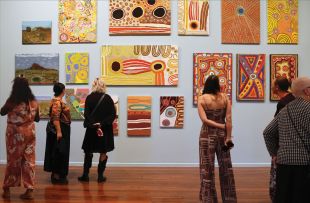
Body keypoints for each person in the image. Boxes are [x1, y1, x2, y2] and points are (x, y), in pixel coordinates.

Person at [264, 77, 310, 203]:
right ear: (307, 91)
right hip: (304, 163)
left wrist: (274, 153)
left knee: (284, 196)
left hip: (283, 161)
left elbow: (267, 132)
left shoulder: (285, 109)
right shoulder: (308, 108)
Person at [197, 75, 237, 203]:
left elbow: (205, 120)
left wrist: (220, 126)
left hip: (206, 136)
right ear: (218, 85)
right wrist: (228, 137)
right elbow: (229, 119)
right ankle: (230, 199)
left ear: (206, 84)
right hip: (222, 135)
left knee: (206, 168)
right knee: (226, 168)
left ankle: (208, 199)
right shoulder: (225, 98)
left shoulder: (202, 99)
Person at [1, 77, 39, 200]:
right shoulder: (33, 101)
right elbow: (37, 119)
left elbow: (2, 112)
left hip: (15, 135)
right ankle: (30, 190)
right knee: (29, 161)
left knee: (13, 161)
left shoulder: (12, 101)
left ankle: (7, 189)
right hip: (30, 134)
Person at [78, 78, 116, 183]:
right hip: (105, 129)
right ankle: (100, 177)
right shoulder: (108, 98)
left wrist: (94, 124)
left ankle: (85, 175)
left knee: (88, 151)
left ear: (94, 85)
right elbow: (112, 114)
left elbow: (86, 114)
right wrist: (102, 124)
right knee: (103, 151)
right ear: (104, 86)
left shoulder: (89, 98)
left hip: (91, 129)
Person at [269, 76, 296, 202]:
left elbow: (276, 128)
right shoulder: (293, 98)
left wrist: (274, 151)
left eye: (273, 84)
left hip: (285, 144)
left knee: (281, 176)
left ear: (277, 87)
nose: (272, 87)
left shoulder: (282, 103)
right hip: (295, 143)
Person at [44, 82, 71, 184]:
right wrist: (59, 132)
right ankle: (56, 176)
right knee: (59, 152)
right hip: (60, 129)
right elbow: (55, 118)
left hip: (61, 128)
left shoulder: (56, 101)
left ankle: (58, 174)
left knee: (58, 151)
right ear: (63, 90)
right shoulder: (57, 102)